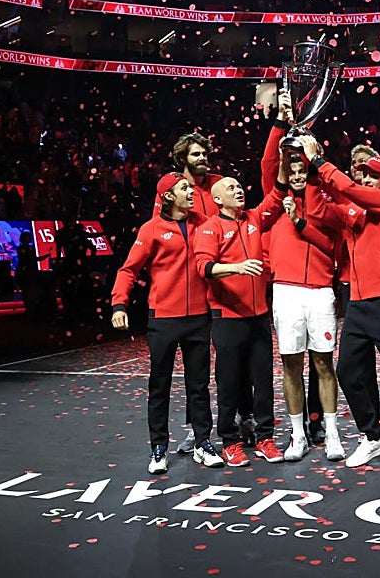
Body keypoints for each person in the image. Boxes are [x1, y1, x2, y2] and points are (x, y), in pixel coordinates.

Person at [302, 135, 380, 474]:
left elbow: (350, 190)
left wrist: (319, 162)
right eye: (363, 174)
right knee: (346, 371)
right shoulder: (356, 210)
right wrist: (313, 175)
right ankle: (373, 436)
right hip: (358, 301)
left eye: (373, 174)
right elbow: (316, 210)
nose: (366, 179)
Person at [111, 173, 223, 474]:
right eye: (184, 188)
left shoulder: (204, 223)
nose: (191, 192)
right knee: (159, 386)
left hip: (198, 317)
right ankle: (158, 448)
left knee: (199, 385)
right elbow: (128, 270)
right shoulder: (151, 229)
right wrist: (119, 304)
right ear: (169, 196)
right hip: (163, 318)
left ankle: (202, 442)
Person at [261, 93, 345, 463]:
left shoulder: (325, 203)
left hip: (321, 291)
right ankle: (297, 437)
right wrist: (281, 123)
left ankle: (332, 434)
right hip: (286, 291)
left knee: (324, 364)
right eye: (291, 171)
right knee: (291, 365)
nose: (296, 176)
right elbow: (269, 161)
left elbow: (328, 241)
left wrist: (312, 158)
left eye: (301, 170)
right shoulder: (275, 199)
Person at [193, 176, 286, 466]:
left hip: (258, 316)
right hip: (227, 317)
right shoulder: (210, 227)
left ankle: (265, 438)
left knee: (263, 380)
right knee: (230, 382)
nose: (239, 190)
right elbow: (203, 266)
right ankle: (230, 441)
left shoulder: (254, 218)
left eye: (239, 186)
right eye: (231, 188)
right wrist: (237, 268)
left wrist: (284, 156)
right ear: (217, 199)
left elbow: (277, 193)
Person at [156, 132, 229, 455]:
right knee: (195, 374)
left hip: (223, 285)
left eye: (204, 154)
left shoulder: (219, 184)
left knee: (226, 362)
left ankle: (236, 420)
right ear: (182, 158)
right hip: (190, 296)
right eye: (196, 154)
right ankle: (197, 432)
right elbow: (161, 233)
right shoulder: (171, 189)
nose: (203, 159)